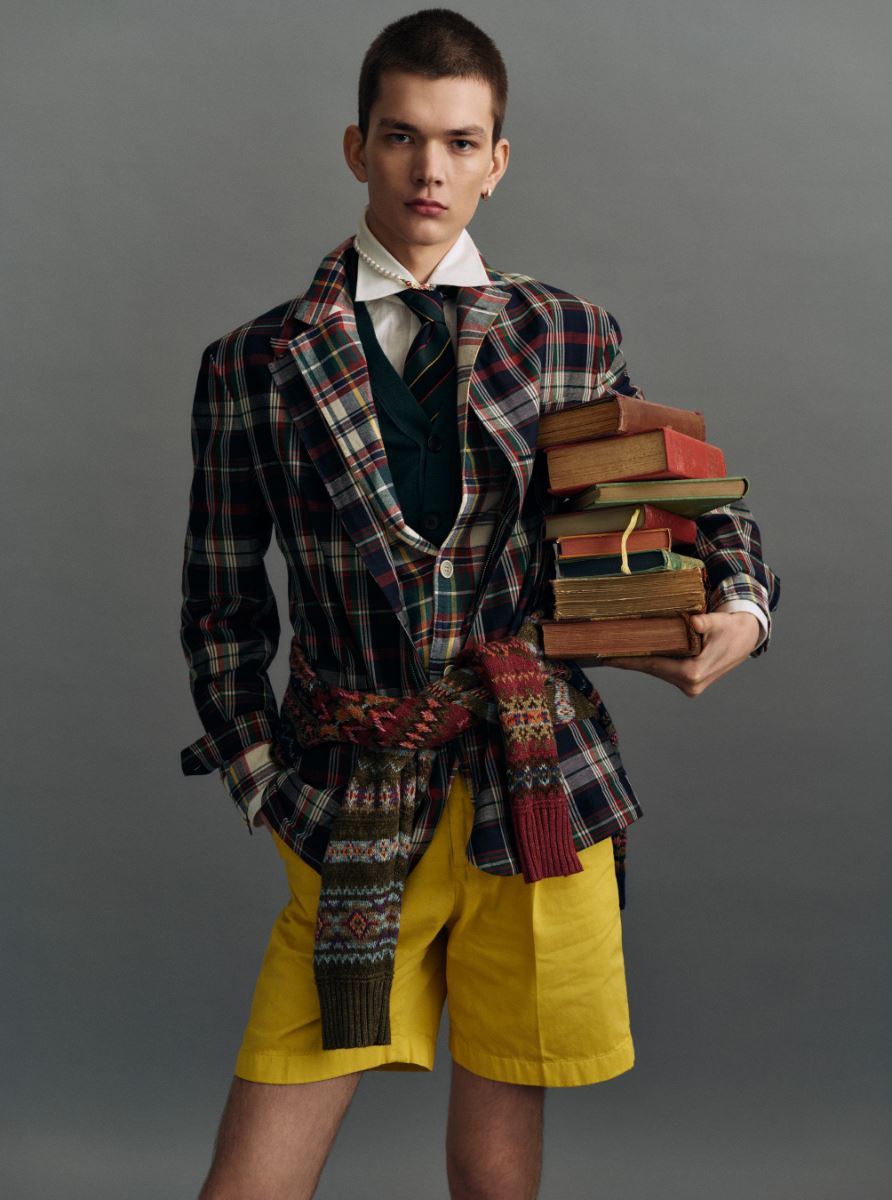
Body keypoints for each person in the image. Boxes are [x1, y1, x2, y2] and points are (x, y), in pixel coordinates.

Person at [179, 9, 779, 1199]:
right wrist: (268, 784)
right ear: (357, 147)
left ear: (496, 160)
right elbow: (219, 604)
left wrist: (743, 608)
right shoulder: (252, 363)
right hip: (352, 793)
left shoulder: (566, 334)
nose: (430, 169)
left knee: (498, 1168)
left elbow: (690, 510)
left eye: (460, 142)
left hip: (536, 787)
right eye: (402, 136)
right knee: (252, 1177)